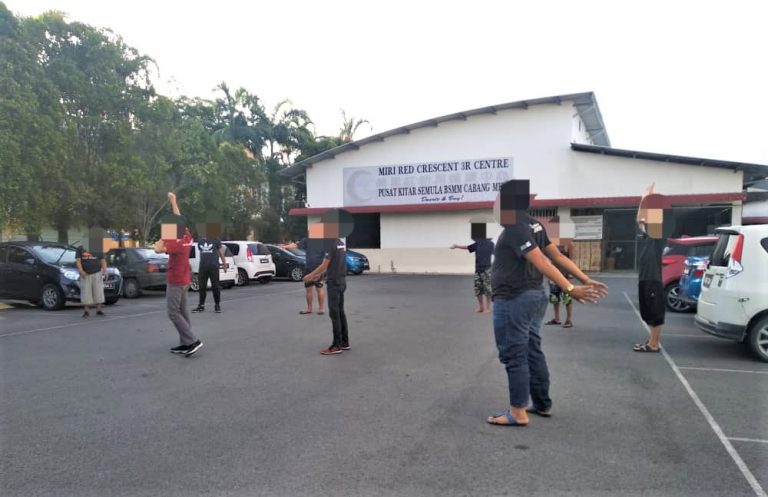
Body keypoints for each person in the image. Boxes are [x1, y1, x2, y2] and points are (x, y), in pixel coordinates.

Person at [487, 180, 608, 427]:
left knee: (514, 354)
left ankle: (517, 412)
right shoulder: (534, 224)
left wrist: (571, 288)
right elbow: (557, 256)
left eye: (498, 200)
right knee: (532, 350)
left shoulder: (515, 227)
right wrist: (584, 278)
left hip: (514, 299)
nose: (495, 205)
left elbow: (543, 261)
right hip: (533, 297)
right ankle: (541, 403)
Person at [154, 192, 202, 357]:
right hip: (184, 278)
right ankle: (185, 343)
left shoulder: (174, 241)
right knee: (183, 311)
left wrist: (165, 234)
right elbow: (178, 217)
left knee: (173, 312)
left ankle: (192, 341)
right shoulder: (186, 234)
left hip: (175, 280)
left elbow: (157, 248)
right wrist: (173, 201)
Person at [301, 209, 354, 355]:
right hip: (341, 281)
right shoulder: (340, 242)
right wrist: (319, 275)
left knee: (334, 314)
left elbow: (325, 265)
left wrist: (310, 276)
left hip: (334, 283)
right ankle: (345, 342)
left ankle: (336, 346)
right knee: (340, 313)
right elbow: (333, 263)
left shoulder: (330, 244)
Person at [633, 183, 668, 353]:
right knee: (647, 311)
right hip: (645, 278)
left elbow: (648, 217)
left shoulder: (658, 234)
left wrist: (647, 199)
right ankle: (651, 341)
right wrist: (643, 201)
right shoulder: (648, 236)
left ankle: (654, 344)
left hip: (653, 278)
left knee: (655, 313)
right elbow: (639, 220)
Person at [450, 223, 495, 313]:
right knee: (478, 290)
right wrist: (457, 246)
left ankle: (487, 308)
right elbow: (467, 247)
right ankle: (481, 307)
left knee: (488, 290)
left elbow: (497, 253)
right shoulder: (477, 244)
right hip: (478, 269)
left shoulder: (490, 244)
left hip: (487, 269)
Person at [280, 237, 326, 315]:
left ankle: (321, 309)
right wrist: (285, 247)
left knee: (319, 288)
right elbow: (296, 245)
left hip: (318, 268)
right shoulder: (307, 240)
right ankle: (309, 308)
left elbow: (327, 256)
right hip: (308, 268)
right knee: (309, 289)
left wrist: (322, 270)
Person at [192, 232, 227, 314]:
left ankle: (217, 305)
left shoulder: (215, 239)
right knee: (202, 287)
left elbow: (221, 253)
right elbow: (201, 252)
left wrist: (224, 264)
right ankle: (201, 305)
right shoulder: (200, 241)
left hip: (213, 266)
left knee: (215, 286)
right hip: (203, 267)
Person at [545, 245, 575, 328]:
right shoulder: (552, 244)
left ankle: (568, 320)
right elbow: (550, 260)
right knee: (554, 298)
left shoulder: (567, 244)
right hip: (554, 275)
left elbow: (571, 259)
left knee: (567, 299)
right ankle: (557, 318)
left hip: (565, 276)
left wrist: (570, 273)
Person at [75, 245, 108, 318]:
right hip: (85, 274)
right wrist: (81, 271)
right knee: (86, 292)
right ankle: (86, 311)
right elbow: (78, 261)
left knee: (98, 292)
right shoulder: (80, 248)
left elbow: (102, 260)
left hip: (97, 273)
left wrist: (105, 271)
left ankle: (99, 310)